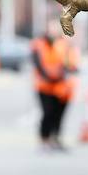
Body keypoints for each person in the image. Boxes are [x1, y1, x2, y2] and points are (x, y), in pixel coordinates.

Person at [31, 21, 77, 150]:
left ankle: (55, 138)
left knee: (58, 115)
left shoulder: (64, 44)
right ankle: (44, 139)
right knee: (47, 113)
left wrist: (65, 73)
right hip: (44, 86)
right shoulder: (39, 44)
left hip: (61, 88)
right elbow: (38, 64)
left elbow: (70, 64)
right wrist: (52, 76)